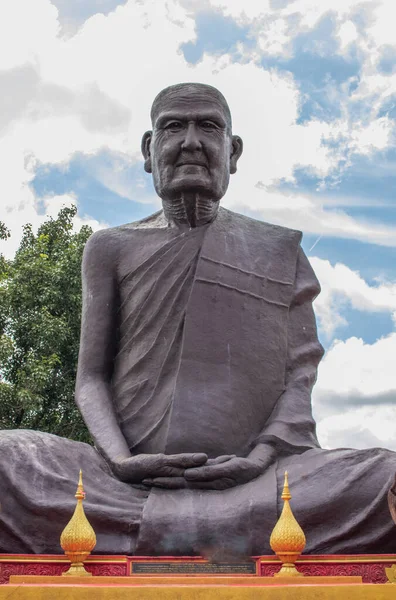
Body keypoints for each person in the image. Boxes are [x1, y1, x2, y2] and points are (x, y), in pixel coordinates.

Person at [0, 83, 395, 556]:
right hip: (121, 487)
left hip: (262, 484)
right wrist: (124, 461)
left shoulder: (277, 251)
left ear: (233, 150)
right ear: (150, 150)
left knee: (384, 478)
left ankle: (153, 537)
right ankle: (209, 535)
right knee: (8, 459)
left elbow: (298, 380)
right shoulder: (110, 248)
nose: (190, 141)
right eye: (173, 126)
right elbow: (91, 380)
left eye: (208, 125)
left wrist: (261, 458)